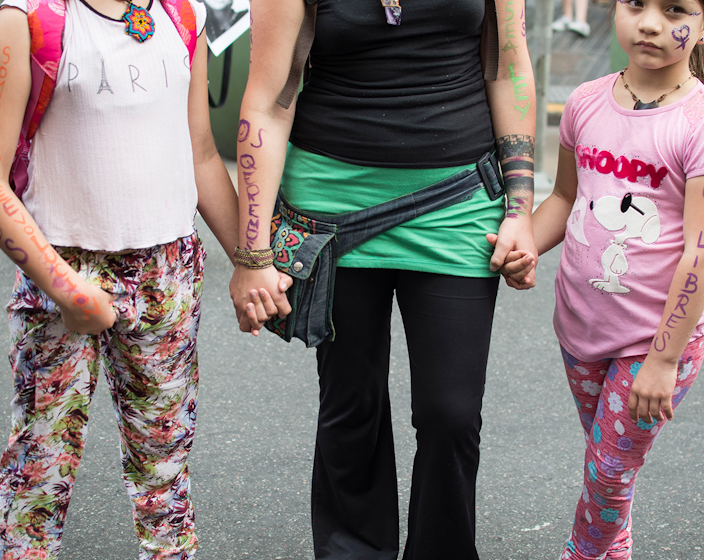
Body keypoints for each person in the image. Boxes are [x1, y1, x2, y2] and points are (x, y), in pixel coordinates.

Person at [228, 0, 537, 558]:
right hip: (331, 206)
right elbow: (268, 102)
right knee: (352, 405)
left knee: (452, 414)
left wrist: (520, 208)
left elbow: (508, 66)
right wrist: (251, 255)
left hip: (458, 203)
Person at [0, 0, 242, 558]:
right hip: (61, 271)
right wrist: (66, 289)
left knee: (165, 472)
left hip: (167, 277)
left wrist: (251, 263)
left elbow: (203, 153)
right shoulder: (27, 19)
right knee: (38, 473)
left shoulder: (181, 12)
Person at [503, 0, 704, 556]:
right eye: (636, 4)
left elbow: (702, 255)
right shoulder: (586, 102)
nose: (651, 22)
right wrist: (524, 246)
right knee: (608, 461)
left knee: (610, 469)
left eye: (675, 9)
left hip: (655, 342)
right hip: (581, 327)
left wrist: (663, 359)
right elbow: (566, 197)